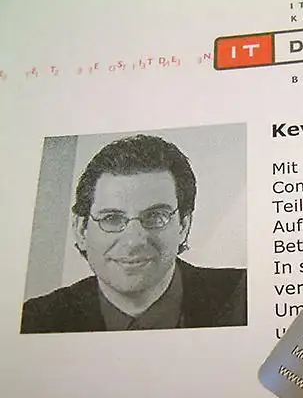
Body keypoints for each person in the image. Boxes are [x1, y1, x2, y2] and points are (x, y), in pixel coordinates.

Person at [21, 134, 247, 333]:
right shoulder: (35, 321)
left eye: (156, 216)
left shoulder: (245, 296)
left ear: (183, 226)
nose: (133, 241)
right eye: (111, 218)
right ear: (81, 230)